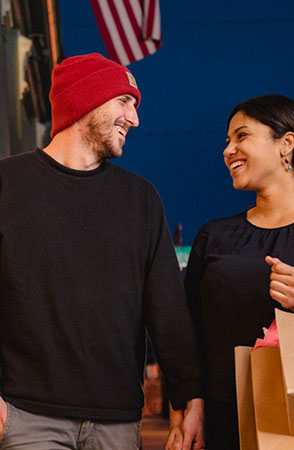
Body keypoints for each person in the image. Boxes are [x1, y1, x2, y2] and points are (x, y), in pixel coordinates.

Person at [0, 53, 204, 450]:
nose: (135, 118)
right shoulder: (7, 185)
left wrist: (189, 397)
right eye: (125, 102)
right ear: (86, 100)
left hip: (119, 425)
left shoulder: (141, 199)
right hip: (28, 420)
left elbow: (167, 310)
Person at [167, 94, 294, 450]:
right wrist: (189, 407)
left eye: (241, 136)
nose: (228, 150)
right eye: (226, 141)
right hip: (226, 424)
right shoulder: (215, 235)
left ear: (286, 144)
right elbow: (187, 333)